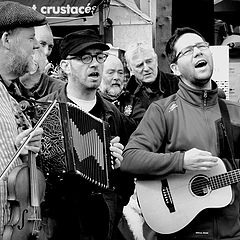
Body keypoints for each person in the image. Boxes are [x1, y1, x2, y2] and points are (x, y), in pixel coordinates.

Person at [121, 26, 240, 240]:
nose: (198, 52)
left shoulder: (234, 112)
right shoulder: (162, 111)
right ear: (175, 68)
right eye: (188, 50)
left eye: (202, 46)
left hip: (231, 232)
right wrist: (181, 161)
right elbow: (130, 159)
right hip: (181, 232)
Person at [38, 29, 136, 240]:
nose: (94, 64)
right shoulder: (45, 110)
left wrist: (118, 169)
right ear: (65, 66)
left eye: (99, 57)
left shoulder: (114, 115)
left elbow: (128, 176)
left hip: (101, 223)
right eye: (84, 57)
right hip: (58, 224)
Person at [0, 1, 45, 238]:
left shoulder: (14, 94)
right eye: (30, 38)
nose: (37, 45)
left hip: (13, 224)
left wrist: (25, 149)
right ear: (6, 40)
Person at [123, 42, 179, 124]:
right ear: (130, 69)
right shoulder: (125, 94)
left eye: (149, 61)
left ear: (156, 60)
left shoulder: (176, 83)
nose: (146, 68)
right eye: (139, 65)